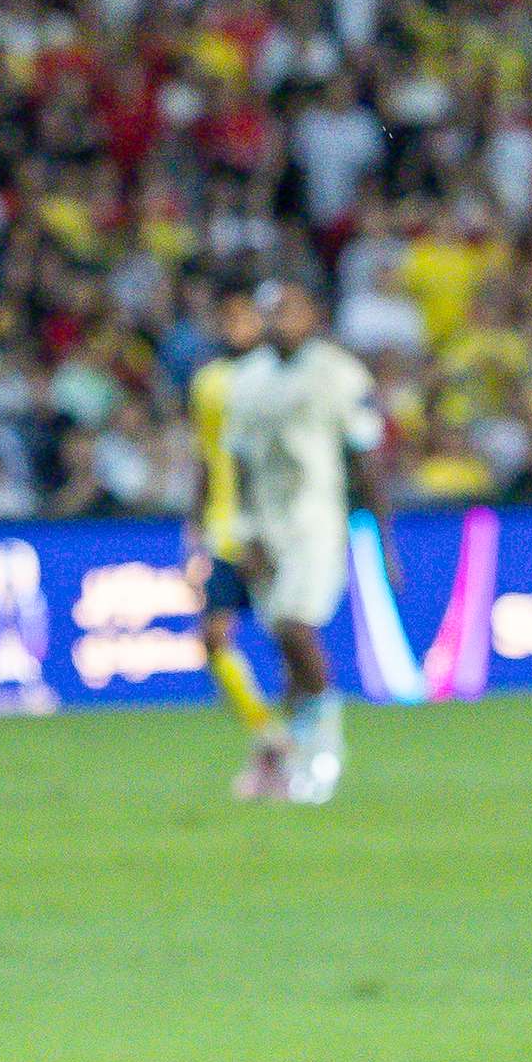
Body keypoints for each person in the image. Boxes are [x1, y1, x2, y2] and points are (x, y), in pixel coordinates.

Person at [219, 279, 390, 803]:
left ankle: (326, 749)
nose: (278, 322)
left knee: (296, 627)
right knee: (283, 640)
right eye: (270, 313)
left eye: (288, 311)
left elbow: (363, 457)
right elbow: (239, 463)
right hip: (266, 528)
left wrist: (383, 539)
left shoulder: (338, 373)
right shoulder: (246, 378)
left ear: (311, 314)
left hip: (317, 520)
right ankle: (290, 754)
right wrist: (245, 530)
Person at [184, 286, 286, 796]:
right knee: (214, 637)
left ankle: (293, 744)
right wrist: (194, 521)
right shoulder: (208, 383)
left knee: (289, 637)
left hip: (276, 524)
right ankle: (271, 736)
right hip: (227, 528)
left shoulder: (281, 378)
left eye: (245, 316)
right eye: (228, 317)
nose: (236, 326)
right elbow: (207, 454)